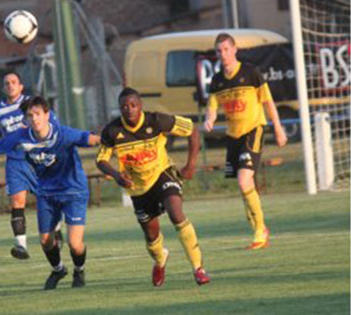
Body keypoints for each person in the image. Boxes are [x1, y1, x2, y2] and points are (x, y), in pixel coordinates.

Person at [0, 96, 100, 290]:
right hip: (47, 193)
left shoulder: (63, 133)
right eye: (29, 115)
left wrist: (112, 142)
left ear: (47, 115)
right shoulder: (22, 136)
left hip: (73, 190)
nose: (34, 118)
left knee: (74, 243)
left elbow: (90, 138)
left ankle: (79, 270)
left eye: (38, 114)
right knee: (45, 241)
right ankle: (58, 269)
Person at [96, 87, 210, 287]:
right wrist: (116, 176)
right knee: (151, 235)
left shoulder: (156, 121)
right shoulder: (113, 131)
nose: (129, 109)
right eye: (124, 106)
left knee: (176, 213)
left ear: (140, 106)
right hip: (138, 187)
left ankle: (198, 268)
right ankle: (160, 260)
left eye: (133, 105)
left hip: (162, 173)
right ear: (119, 109)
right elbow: (101, 160)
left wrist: (191, 164)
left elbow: (192, 130)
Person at [203, 33, 288, 250]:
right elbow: (212, 107)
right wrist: (209, 120)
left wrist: (278, 128)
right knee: (244, 186)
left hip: (253, 130)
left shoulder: (251, 73)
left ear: (234, 49)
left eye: (226, 49)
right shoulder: (217, 81)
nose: (222, 54)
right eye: (218, 51)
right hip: (233, 136)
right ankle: (258, 227)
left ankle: (260, 230)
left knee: (244, 181)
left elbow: (268, 102)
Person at [0, 72, 62, 260]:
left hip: (36, 157)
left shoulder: (33, 104)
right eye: (6, 83)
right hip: (14, 161)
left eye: (14, 82)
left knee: (46, 200)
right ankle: (20, 245)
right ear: (3, 88)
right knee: (17, 202)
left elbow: (51, 122)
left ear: (21, 86)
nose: (10, 85)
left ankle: (57, 230)